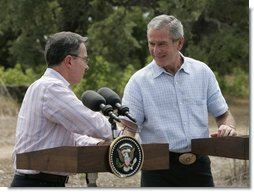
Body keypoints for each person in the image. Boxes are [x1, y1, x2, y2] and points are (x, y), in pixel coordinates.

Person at [121, 15, 237, 187]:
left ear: (180, 42)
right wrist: (124, 150)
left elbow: (224, 115)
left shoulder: (202, 72)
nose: (155, 50)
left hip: (199, 167)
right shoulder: (138, 81)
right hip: (156, 170)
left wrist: (228, 126)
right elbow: (128, 127)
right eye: (151, 44)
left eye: (161, 44)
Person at [10, 31, 113, 187]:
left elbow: (71, 136)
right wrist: (122, 132)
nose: (87, 66)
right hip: (38, 184)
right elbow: (91, 123)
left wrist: (98, 144)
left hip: (41, 182)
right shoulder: (51, 88)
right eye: (85, 59)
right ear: (69, 61)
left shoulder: (45, 86)